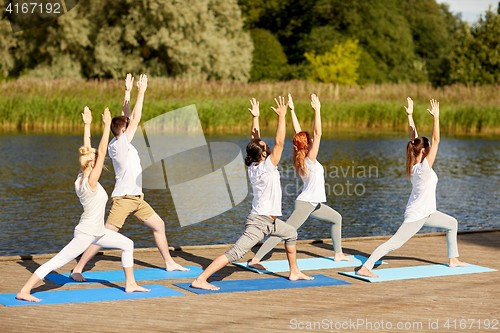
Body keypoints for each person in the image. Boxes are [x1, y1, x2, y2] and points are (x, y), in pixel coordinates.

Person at [16, 107, 150, 302]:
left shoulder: (80, 177)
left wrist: (87, 125)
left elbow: (88, 150)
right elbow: (102, 150)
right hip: (87, 234)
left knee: (127, 244)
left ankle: (130, 284)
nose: (98, 161)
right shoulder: (91, 183)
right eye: (95, 161)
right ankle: (24, 291)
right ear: (92, 165)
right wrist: (105, 128)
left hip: (97, 232)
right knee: (57, 262)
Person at [70, 74, 187, 282]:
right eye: (128, 126)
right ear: (123, 131)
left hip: (137, 199)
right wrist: (141, 92)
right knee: (102, 234)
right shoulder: (120, 146)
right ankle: (78, 268)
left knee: (159, 225)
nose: (131, 126)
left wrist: (127, 91)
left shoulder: (122, 141)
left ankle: (169, 263)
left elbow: (126, 117)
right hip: (124, 200)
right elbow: (135, 118)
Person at [191, 96, 314, 290]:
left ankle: (294, 272)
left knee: (290, 233)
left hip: (270, 222)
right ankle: (201, 279)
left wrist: (255, 118)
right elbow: (280, 141)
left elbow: (254, 141)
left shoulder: (254, 164)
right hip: (259, 223)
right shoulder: (266, 167)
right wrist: (282, 117)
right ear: (264, 154)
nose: (269, 147)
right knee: (236, 253)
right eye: (266, 147)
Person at [357, 98, 468, 278]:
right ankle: (365, 268)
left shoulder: (416, 159)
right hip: (417, 215)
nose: (431, 148)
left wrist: (410, 116)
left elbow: (414, 139)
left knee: (452, 223)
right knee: (395, 243)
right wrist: (436, 118)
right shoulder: (423, 169)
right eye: (428, 147)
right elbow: (436, 140)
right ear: (424, 151)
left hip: (428, 212)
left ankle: (453, 259)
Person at [249, 93, 352, 271]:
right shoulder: (310, 159)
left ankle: (338, 253)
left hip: (313, 202)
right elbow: (318, 133)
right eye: (310, 140)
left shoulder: (302, 157)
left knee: (337, 218)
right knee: (285, 231)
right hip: (306, 204)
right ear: (308, 144)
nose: (313, 140)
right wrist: (317, 111)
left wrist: (293, 111)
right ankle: (256, 258)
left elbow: (299, 134)